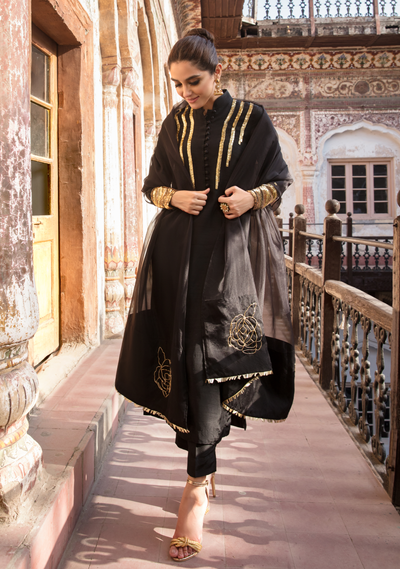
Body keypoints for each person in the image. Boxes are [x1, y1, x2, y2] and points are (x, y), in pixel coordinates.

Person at [115, 28, 295, 562]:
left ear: (218, 72)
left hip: (229, 262)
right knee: (186, 360)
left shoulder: (252, 119)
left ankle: (196, 482)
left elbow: (279, 179)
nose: (185, 92)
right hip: (177, 257)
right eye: (176, 84)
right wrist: (175, 196)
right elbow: (151, 184)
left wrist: (250, 199)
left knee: (212, 361)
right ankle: (199, 474)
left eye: (193, 81)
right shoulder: (174, 122)